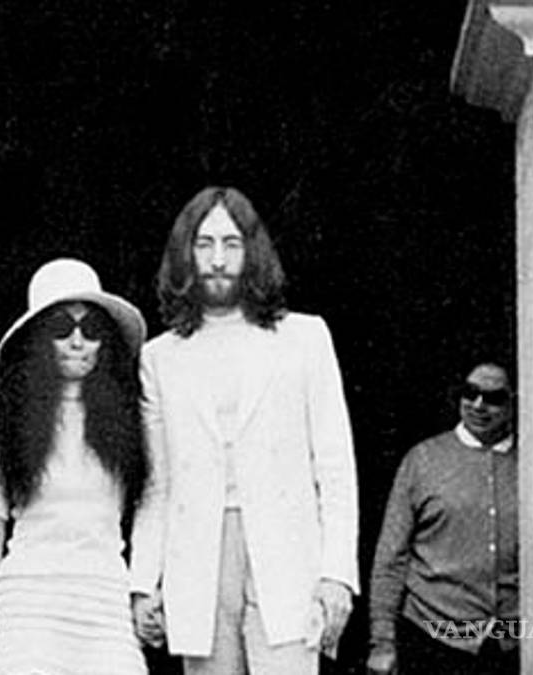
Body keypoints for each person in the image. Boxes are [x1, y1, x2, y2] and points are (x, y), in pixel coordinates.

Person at [129, 186, 360, 675]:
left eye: (231, 244)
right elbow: (157, 486)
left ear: (252, 251)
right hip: (199, 558)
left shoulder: (304, 338)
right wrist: (143, 583)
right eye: (204, 244)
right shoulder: (160, 357)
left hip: (287, 556)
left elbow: (335, 467)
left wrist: (337, 574)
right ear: (186, 253)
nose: (217, 260)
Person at [0, 258, 151, 674]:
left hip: (105, 601)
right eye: (62, 328)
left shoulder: (129, 419)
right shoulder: (5, 419)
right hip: (28, 604)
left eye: (91, 329)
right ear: (39, 339)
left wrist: (145, 592)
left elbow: (154, 508)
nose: (78, 341)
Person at [366, 362, 518, 675]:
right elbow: (391, 557)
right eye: (470, 393)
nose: (479, 405)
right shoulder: (423, 460)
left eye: (493, 398)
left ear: (514, 401)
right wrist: (382, 642)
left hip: (511, 643)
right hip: (434, 636)